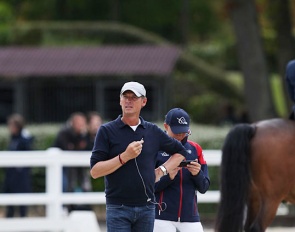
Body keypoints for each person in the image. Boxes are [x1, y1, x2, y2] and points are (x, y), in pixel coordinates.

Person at [90, 81, 188, 232]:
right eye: (125, 96)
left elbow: (181, 152)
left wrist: (161, 170)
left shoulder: (152, 131)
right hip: (118, 207)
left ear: (144, 101)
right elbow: (95, 171)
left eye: (134, 97)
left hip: (147, 207)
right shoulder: (106, 131)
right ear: (120, 100)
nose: (129, 100)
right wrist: (124, 156)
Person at [153, 108, 210, 232]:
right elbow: (148, 186)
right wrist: (169, 177)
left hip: (190, 216)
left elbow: (204, 187)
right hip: (161, 216)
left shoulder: (196, 149)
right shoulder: (155, 148)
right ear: (166, 126)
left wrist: (197, 174)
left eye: (183, 132)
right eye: (176, 132)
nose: (180, 135)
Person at [3, 113, 34, 217]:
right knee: (10, 200)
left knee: (22, 201)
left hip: (21, 175)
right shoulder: (13, 138)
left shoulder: (25, 138)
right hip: (11, 175)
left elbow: (29, 153)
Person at [53, 112, 89, 193]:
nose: (81, 125)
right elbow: (68, 148)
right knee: (65, 185)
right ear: (73, 122)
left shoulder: (84, 134)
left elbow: (86, 147)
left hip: (77, 164)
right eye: (79, 123)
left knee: (83, 182)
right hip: (63, 166)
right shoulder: (64, 132)